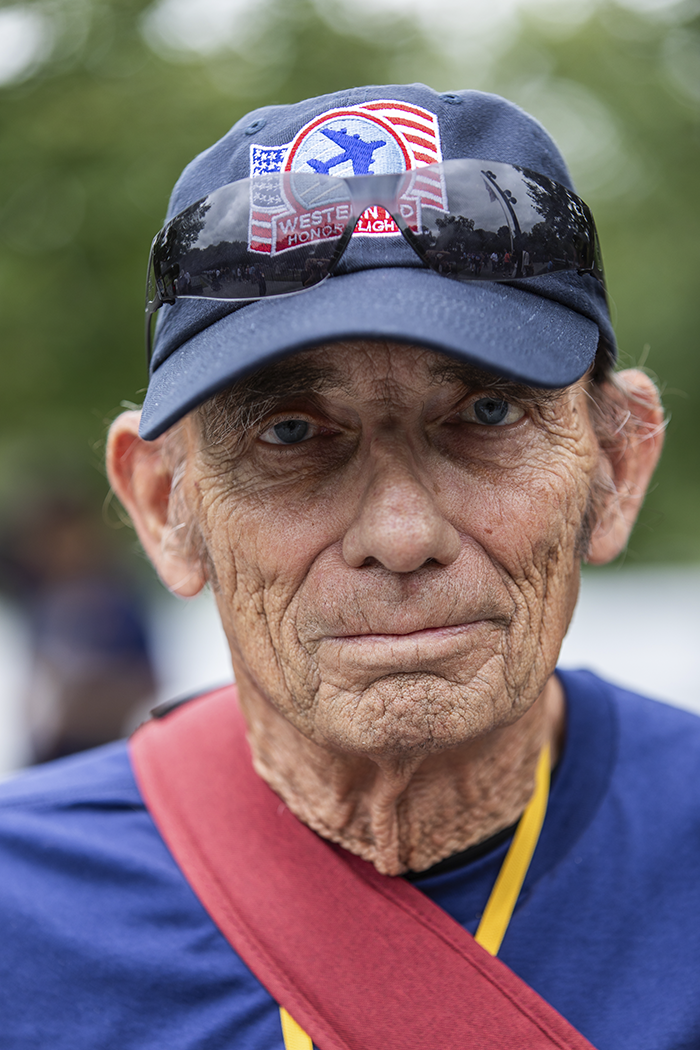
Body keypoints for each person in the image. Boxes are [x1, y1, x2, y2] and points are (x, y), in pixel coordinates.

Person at [0, 84, 697, 1050]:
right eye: (292, 434)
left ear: (618, 470)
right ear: (166, 508)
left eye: (487, 414)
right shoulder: (18, 920)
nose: (402, 533)